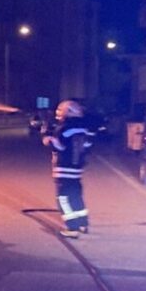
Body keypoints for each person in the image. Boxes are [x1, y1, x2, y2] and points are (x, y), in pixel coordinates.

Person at [42, 99, 94, 238]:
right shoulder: (83, 129)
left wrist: (48, 139)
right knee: (76, 196)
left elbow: (59, 146)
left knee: (63, 199)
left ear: (67, 112)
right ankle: (83, 224)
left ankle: (72, 228)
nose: (58, 114)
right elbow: (87, 146)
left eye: (60, 111)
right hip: (77, 170)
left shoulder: (64, 129)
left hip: (64, 169)